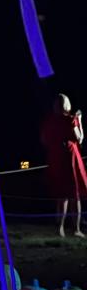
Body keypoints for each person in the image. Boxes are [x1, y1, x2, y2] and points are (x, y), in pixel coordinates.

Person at [41, 92, 87, 238]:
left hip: (56, 158)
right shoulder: (70, 120)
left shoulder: (50, 121)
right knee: (75, 195)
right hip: (70, 158)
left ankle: (60, 228)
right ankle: (76, 229)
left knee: (61, 196)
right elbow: (79, 139)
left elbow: (44, 140)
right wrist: (79, 120)